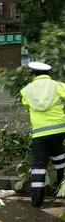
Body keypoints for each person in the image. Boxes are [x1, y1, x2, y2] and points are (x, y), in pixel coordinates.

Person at [20, 61, 65, 207]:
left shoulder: (26, 90)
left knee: (39, 165)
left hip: (39, 133)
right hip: (59, 129)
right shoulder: (58, 85)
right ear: (48, 74)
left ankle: (37, 200)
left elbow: (26, 104)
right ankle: (60, 184)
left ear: (33, 75)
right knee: (59, 155)